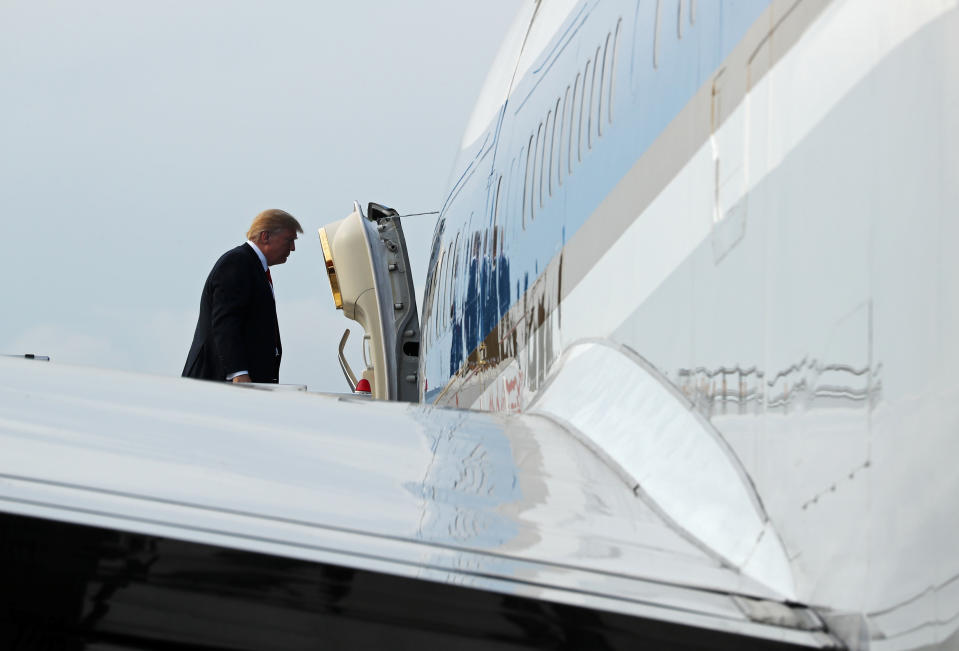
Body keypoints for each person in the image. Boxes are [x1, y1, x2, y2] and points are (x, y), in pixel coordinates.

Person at [182, 209, 303, 384]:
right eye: (289, 240)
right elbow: (225, 323)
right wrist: (238, 372)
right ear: (265, 236)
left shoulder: (251, 266)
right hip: (220, 384)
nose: (292, 248)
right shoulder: (237, 263)